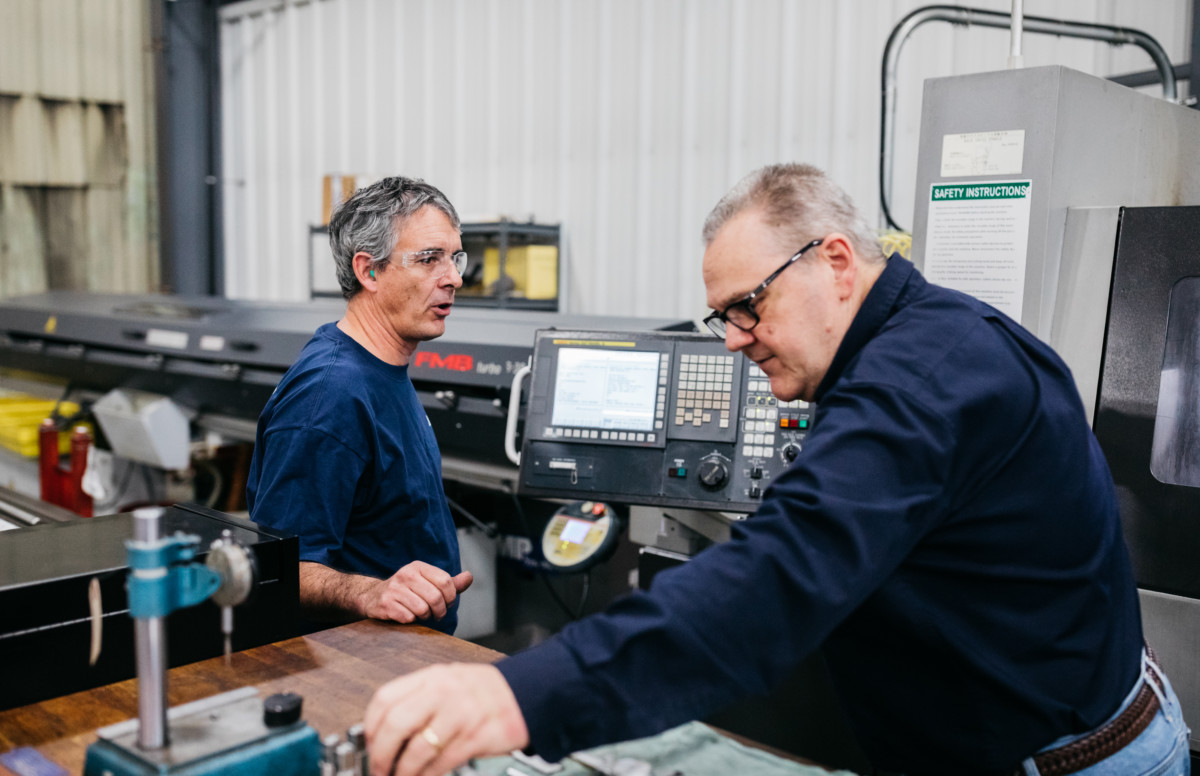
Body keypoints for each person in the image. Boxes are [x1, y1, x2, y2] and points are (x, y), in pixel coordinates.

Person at [362, 164, 1190, 775]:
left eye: (747, 307)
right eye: (719, 316)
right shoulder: (919, 344)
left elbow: (778, 579)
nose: (731, 338)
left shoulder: (923, 382)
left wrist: (517, 697)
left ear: (834, 261)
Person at [247, 176, 473, 635]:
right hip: (358, 667)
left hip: (409, 652)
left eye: (455, 257)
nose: (454, 277)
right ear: (369, 271)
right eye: (430, 259)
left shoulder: (382, 368)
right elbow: (282, 568)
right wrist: (370, 593)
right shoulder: (328, 397)